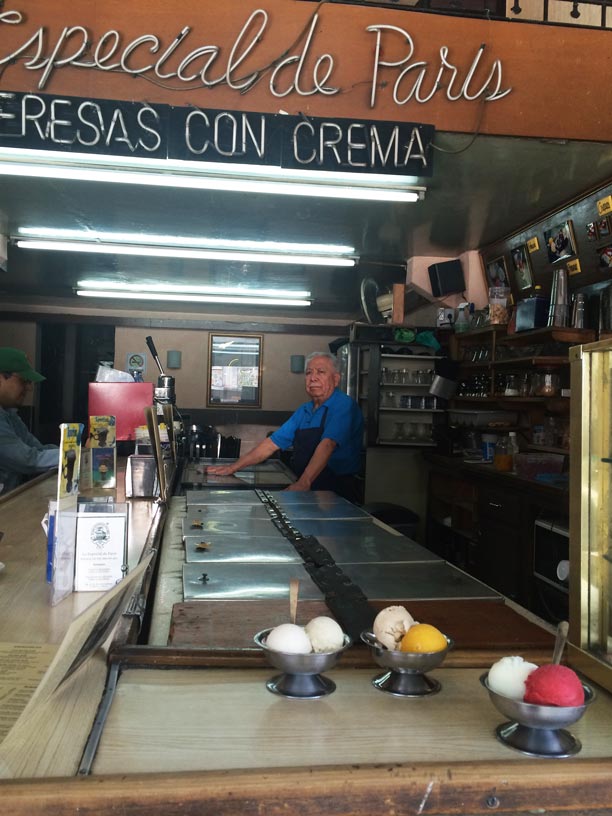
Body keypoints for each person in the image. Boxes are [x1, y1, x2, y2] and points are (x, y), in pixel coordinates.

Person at [207, 351, 364, 501]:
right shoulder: (304, 410)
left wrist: (304, 483)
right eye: (309, 373)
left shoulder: (344, 405)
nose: (313, 378)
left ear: (336, 379)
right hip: (307, 489)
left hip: (336, 492)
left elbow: (328, 445)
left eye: (321, 372)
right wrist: (233, 468)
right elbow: (271, 444)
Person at [0, 347, 59, 495]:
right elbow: (28, 460)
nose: (29, 388)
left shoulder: (9, 414)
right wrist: (76, 454)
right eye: (24, 380)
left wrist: (79, 451)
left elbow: (37, 449)